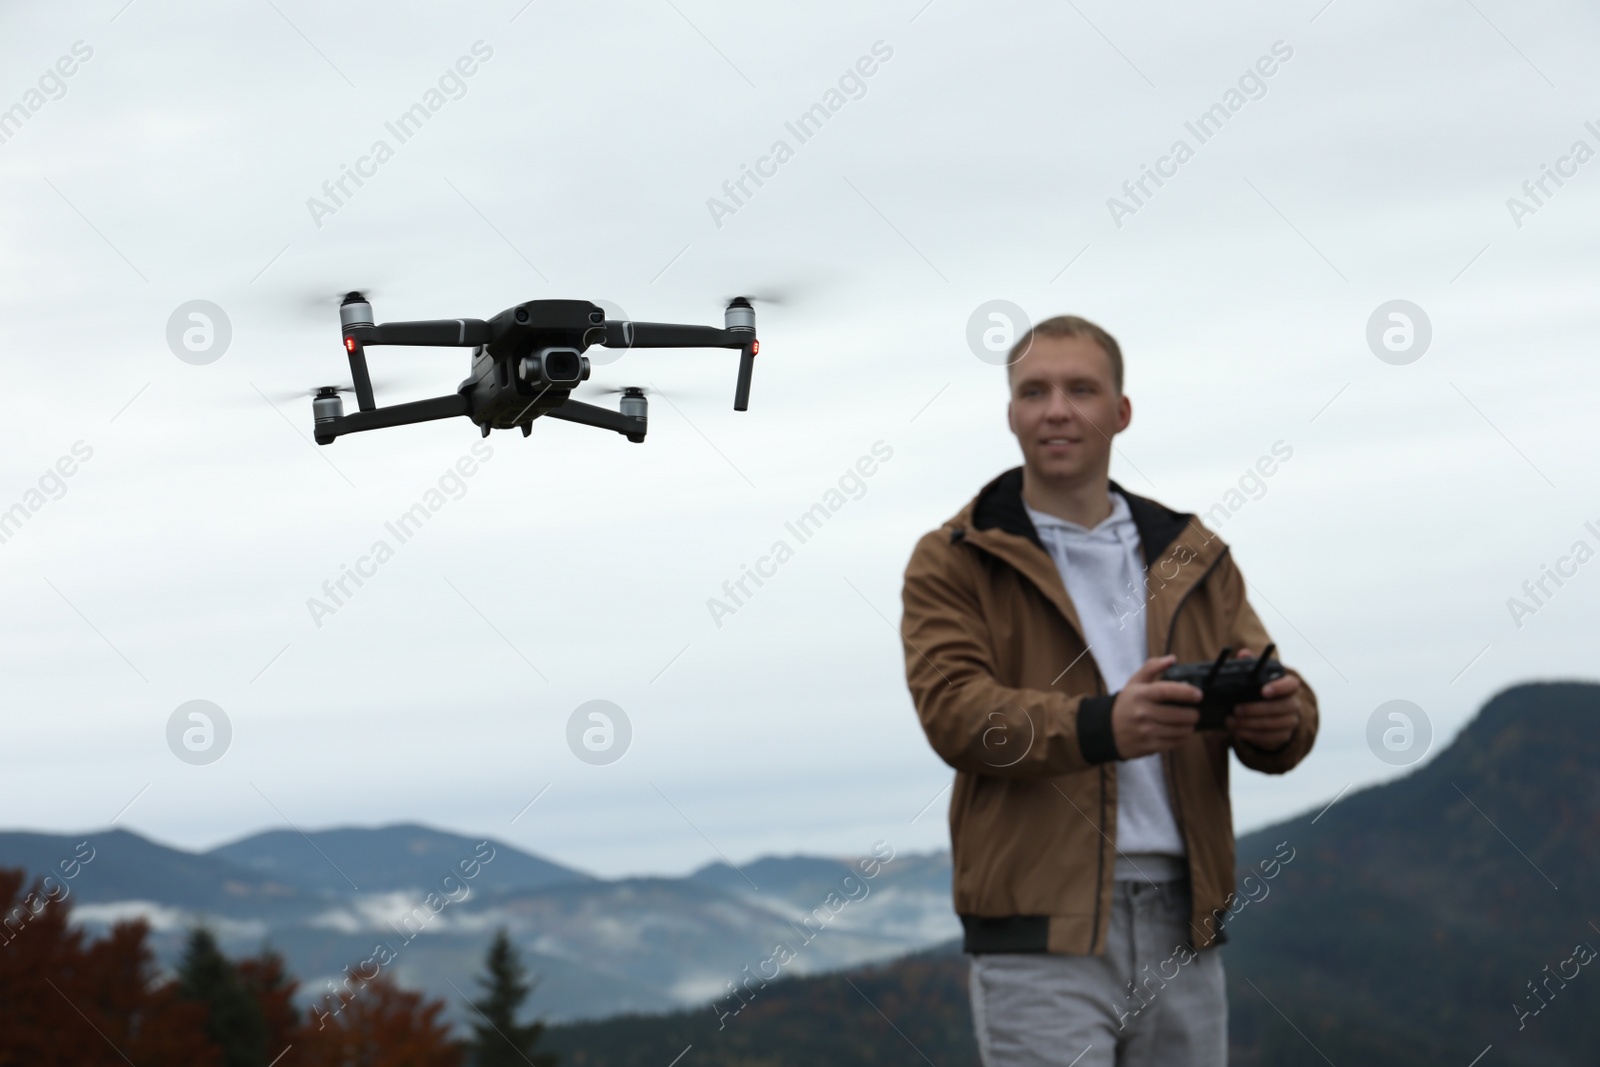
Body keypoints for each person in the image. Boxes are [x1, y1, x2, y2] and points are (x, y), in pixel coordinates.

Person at [899, 315, 1317, 1066]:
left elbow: (1275, 685)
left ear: (1120, 411)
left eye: (1080, 389)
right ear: (1012, 414)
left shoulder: (1194, 554)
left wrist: (1279, 717)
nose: (1056, 408)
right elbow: (955, 715)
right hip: (1039, 930)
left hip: (1182, 920)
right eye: (1035, 391)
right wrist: (1103, 725)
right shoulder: (953, 559)